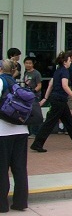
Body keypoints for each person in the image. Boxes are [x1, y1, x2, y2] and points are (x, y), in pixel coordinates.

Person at [31, 51, 72, 152]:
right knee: (50, 122)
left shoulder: (58, 70)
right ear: (65, 62)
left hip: (57, 99)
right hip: (59, 99)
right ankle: (37, 143)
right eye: (69, 60)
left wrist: (45, 98)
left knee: (68, 121)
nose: (70, 62)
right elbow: (65, 85)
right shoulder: (65, 71)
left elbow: (50, 84)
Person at [0, 60, 28, 212]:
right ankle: (20, 202)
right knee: (20, 168)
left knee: (2, 169)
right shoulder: (18, 85)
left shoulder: (0, 81)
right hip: (21, 130)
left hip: (3, 132)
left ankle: (2, 205)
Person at [22, 56, 42, 138]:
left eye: (30, 63)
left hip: (34, 96)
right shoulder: (25, 73)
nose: (28, 65)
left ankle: (35, 132)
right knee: (28, 113)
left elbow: (39, 85)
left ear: (33, 64)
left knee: (35, 113)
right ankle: (29, 131)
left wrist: (34, 91)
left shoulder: (36, 73)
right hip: (26, 96)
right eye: (26, 63)